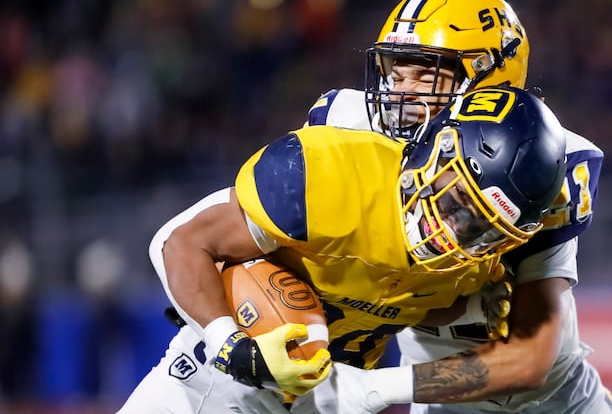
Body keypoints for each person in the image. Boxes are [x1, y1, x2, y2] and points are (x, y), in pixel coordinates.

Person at [116, 85, 568, 413]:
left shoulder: (468, 268)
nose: (452, 231)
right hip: (218, 387)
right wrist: (227, 342)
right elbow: (183, 243)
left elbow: (406, 305)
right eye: (458, 202)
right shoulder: (329, 175)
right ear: (439, 151)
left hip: (323, 401)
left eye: (482, 231)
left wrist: (468, 307)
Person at [302, 0, 612, 413]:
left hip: (549, 405)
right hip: (437, 401)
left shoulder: (532, 158)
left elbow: (530, 358)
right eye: (396, 71)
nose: (402, 91)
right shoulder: (348, 128)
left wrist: (370, 389)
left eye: (426, 73)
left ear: (489, 74)